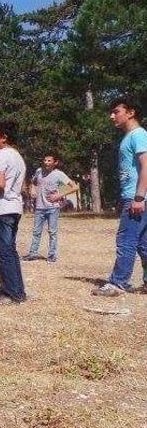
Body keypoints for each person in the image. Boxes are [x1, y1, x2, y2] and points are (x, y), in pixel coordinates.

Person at [93, 97, 147, 296]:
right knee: (142, 242)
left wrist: (139, 198)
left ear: (130, 112)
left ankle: (118, 282)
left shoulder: (138, 135)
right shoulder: (129, 137)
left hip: (139, 198)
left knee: (126, 240)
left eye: (116, 111)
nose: (112, 116)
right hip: (132, 197)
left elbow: (146, 166)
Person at [0, 121, 27, 304]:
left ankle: (10, 293)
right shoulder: (18, 157)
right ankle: (18, 291)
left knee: (3, 252)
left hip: (1, 209)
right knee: (10, 251)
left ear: (4, 137)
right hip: (14, 207)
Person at [23, 153, 80, 263]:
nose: (46, 163)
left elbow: (74, 187)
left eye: (49, 161)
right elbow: (34, 182)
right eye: (45, 160)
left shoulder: (59, 174)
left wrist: (59, 195)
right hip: (39, 207)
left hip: (53, 208)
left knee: (52, 232)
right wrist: (33, 190)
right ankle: (33, 253)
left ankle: (52, 255)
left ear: (55, 163)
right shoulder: (39, 171)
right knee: (36, 231)